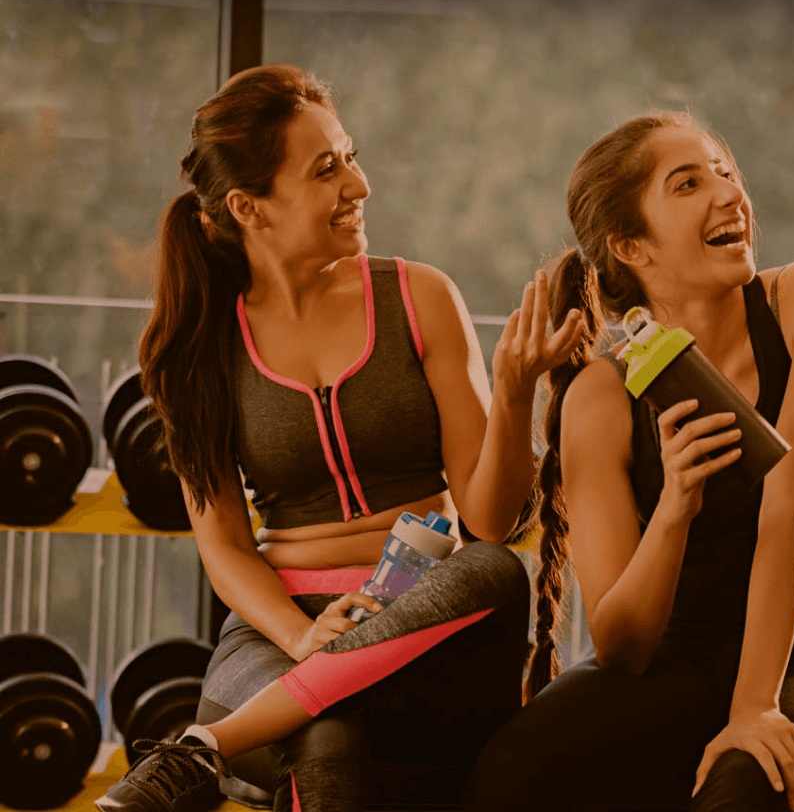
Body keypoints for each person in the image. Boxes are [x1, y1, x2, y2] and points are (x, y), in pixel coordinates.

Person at [98, 64, 582, 812]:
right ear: (248, 206)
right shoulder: (201, 345)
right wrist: (303, 639)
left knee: (492, 568)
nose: (359, 185)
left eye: (350, 157)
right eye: (326, 169)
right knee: (323, 738)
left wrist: (515, 390)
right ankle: (255, 719)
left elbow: (488, 521)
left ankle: (205, 746)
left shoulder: (421, 298)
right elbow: (224, 548)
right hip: (277, 631)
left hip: (428, 620)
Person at [465, 111, 794, 812]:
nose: (729, 194)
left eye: (725, 172)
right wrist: (673, 509)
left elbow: (789, 506)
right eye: (688, 184)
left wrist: (754, 707)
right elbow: (622, 646)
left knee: (748, 783)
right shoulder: (601, 395)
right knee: (511, 772)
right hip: (684, 654)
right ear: (632, 245)